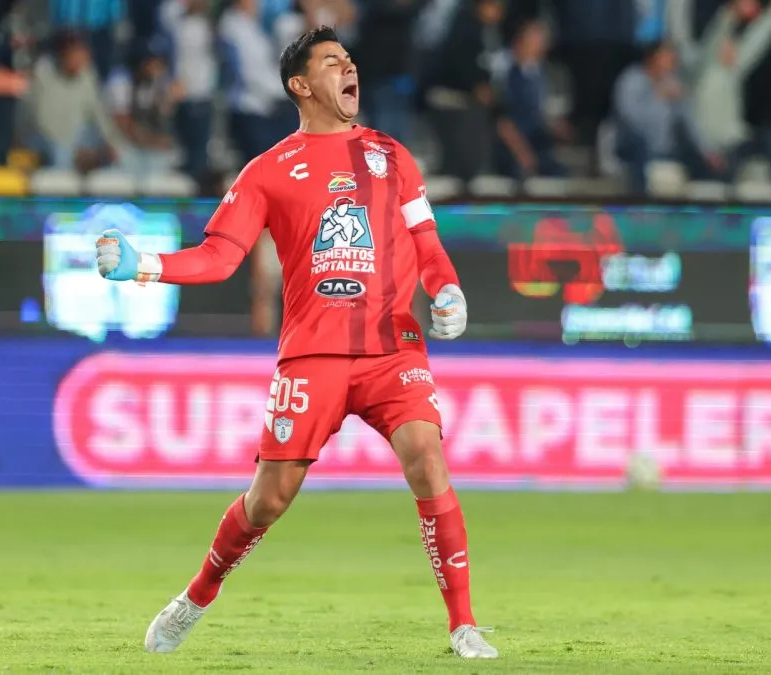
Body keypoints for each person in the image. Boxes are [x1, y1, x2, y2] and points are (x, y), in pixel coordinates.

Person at [94, 27, 497, 660]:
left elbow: (426, 242)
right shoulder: (269, 170)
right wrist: (142, 266)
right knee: (269, 499)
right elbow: (219, 256)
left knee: (426, 453)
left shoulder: (393, 155)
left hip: (393, 348)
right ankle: (196, 596)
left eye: (350, 61)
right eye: (333, 62)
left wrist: (448, 291)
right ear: (301, 85)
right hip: (313, 354)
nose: (349, 68)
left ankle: (464, 625)